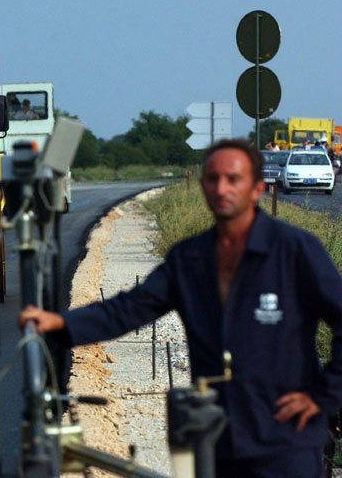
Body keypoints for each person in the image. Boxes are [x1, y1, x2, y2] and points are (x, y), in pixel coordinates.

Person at [19, 138, 342, 477]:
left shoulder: (294, 251)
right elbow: (129, 309)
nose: (221, 188)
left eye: (234, 179)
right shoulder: (190, 259)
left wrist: (324, 396)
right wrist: (59, 323)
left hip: (287, 441)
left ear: (257, 187)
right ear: (202, 185)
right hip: (218, 440)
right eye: (213, 178)